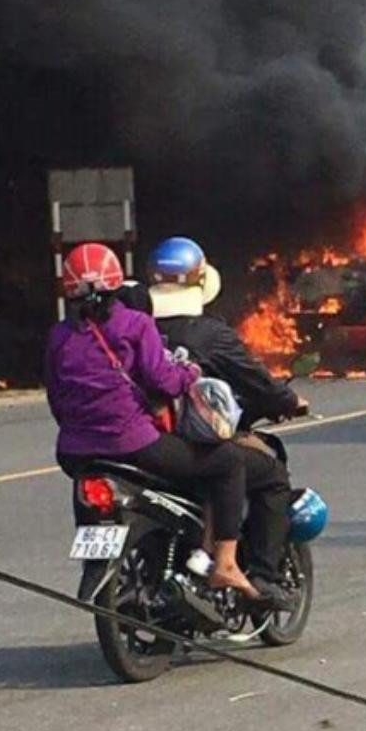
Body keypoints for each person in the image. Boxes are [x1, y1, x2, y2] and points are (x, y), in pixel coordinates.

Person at [46, 242, 260, 600]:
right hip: (133, 444)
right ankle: (224, 561)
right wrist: (189, 374)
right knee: (227, 462)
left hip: (74, 453)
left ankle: (97, 560)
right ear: (116, 285)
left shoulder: (59, 336)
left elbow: (56, 397)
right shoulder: (135, 324)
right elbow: (163, 380)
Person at [147, 236, 305, 607]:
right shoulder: (210, 334)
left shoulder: (136, 328)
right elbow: (257, 382)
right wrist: (288, 400)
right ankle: (261, 576)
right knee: (270, 476)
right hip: (187, 445)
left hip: (145, 441)